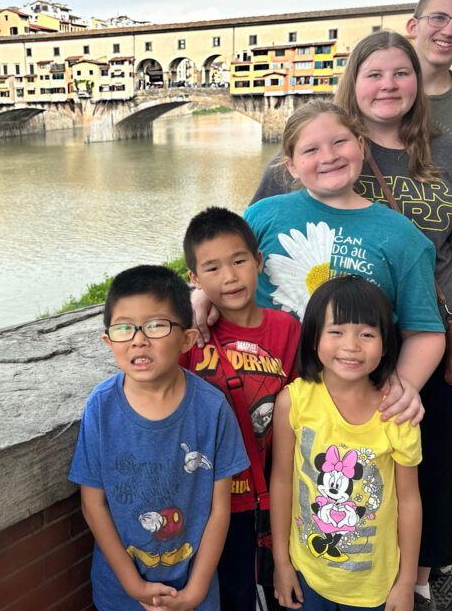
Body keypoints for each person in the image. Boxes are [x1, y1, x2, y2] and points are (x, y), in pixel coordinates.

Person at [332, 30, 452, 609]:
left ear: (418, 84)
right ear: (354, 82)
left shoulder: (446, 156)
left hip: (437, 344)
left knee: (437, 469)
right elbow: (262, 233)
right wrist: (202, 294)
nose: (388, 85)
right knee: (349, 471)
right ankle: (344, 571)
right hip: (345, 348)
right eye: (374, 73)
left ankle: (418, 580)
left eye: (401, 73)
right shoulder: (326, 146)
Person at [195, 100, 446, 428]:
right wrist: (202, 295)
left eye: (339, 142)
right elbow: (226, 272)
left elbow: (424, 331)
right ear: (292, 166)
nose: (328, 157)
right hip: (257, 396)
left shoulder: (402, 237)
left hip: (346, 407)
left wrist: (406, 383)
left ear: (360, 146)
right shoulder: (262, 216)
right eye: (311, 150)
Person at [68, 265, 249, 610]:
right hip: (120, 592)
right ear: (109, 341)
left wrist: (195, 592)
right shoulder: (101, 408)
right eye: (124, 328)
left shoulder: (211, 409)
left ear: (186, 339)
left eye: (155, 325)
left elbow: (219, 508)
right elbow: (93, 504)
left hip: (193, 589)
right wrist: (134, 586)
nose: (138, 338)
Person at [250, 0, 452, 202]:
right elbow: (274, 193)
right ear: (413, 26)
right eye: (438, 18)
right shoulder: (349, 106)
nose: (449, 30)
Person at [270, 275, 421, 611]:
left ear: (385, 344)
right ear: (312, 338)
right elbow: (281, 481)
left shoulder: (397, 413)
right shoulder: (294, 402)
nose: (352, 345)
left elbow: (409, 501)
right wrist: (281, 563)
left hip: (374, 585)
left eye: (367, 334)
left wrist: (406, 581)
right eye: (336, 331)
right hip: (307, 572)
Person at [181, 206, 302, 610]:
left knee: (273, 590)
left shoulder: (287, 329)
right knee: (229, 593)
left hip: (272, 496)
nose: (229, 277)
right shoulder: (190, 337)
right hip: (211, 502)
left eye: (238, 261)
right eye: (211, 269)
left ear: (258, 262)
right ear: (195, 280)